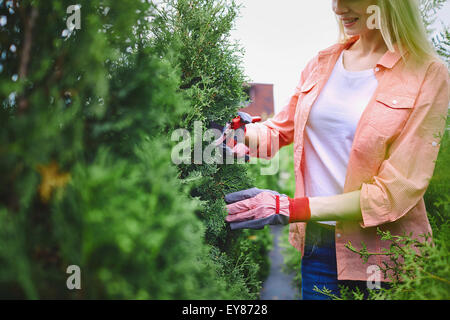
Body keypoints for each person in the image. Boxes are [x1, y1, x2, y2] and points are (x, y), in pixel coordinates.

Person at [223, 0, 450, 300]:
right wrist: (238, 129)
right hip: (317, 248)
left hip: (385, 258)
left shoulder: (427, 74)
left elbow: (395, 192)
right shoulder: (322, 62)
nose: (338, 8)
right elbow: (280, 130)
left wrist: (291, 208)